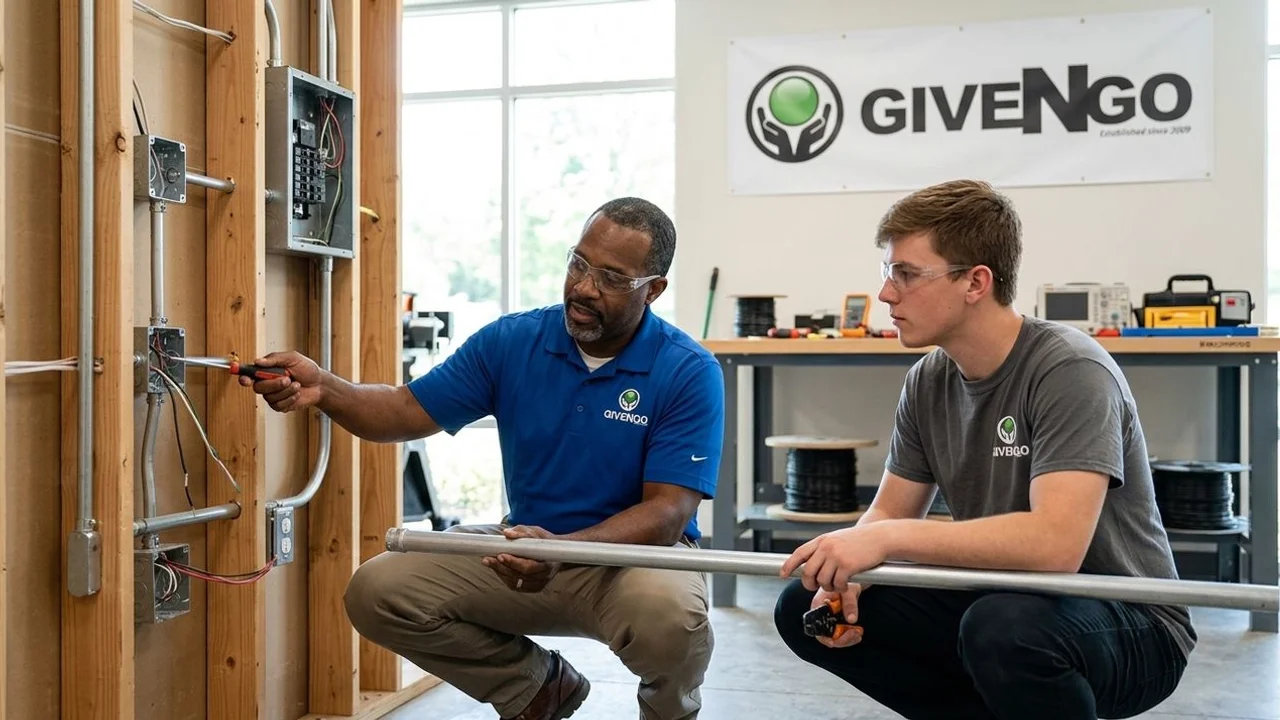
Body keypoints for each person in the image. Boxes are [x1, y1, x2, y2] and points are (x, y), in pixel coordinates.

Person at [241, 197, 724, 720]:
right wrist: (326, 389)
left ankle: (668, 712)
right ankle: (536, 687)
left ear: (652, 290)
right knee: (377, 591)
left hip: (631, 565)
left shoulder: (687, 371)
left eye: (611, 277)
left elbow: (667, 513)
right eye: (579, 263)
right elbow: (403, 410)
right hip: (522, 554)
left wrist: (562, 549)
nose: (584, 287)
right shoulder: (513, 342)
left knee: (671, 615)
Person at [772, 179, 1196, 720]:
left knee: (1004, 629)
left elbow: (1055, 546)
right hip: (1002, 599)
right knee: (805, 610)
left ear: (975, 282)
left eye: (906, 274)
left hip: (1129, 619)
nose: (886, 295)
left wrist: (884, 539)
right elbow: (888, 512)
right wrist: (849, 574)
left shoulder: (1069, 370)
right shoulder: (928, 380)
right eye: (888, 273)